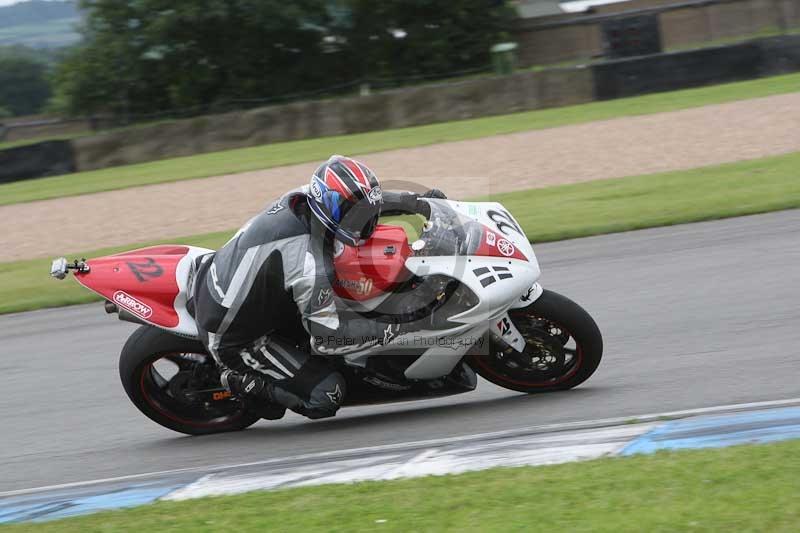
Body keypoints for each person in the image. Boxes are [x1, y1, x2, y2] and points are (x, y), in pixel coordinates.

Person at [190, 155, 446, 420]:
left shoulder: (308, 198)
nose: (364, 220)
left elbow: (366, 202)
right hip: (235, 335)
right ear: (332, 207)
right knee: (327, 395)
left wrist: (419, 202)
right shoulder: (309, 265)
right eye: (354, 213)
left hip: (240, 286)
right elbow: (328, 339)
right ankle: (236, 379)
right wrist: (397, 324)